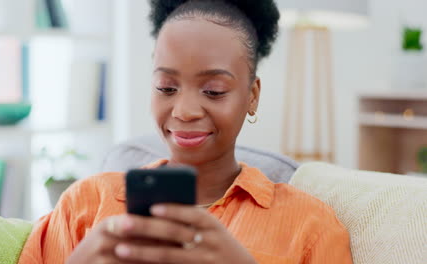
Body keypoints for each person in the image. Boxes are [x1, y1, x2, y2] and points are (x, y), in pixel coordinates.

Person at [18, 0, 353, 263]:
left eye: (214, 91)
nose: (184, 111)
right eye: (166, 87)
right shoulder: (86, 205)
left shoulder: (309, 225)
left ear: (252, 96)